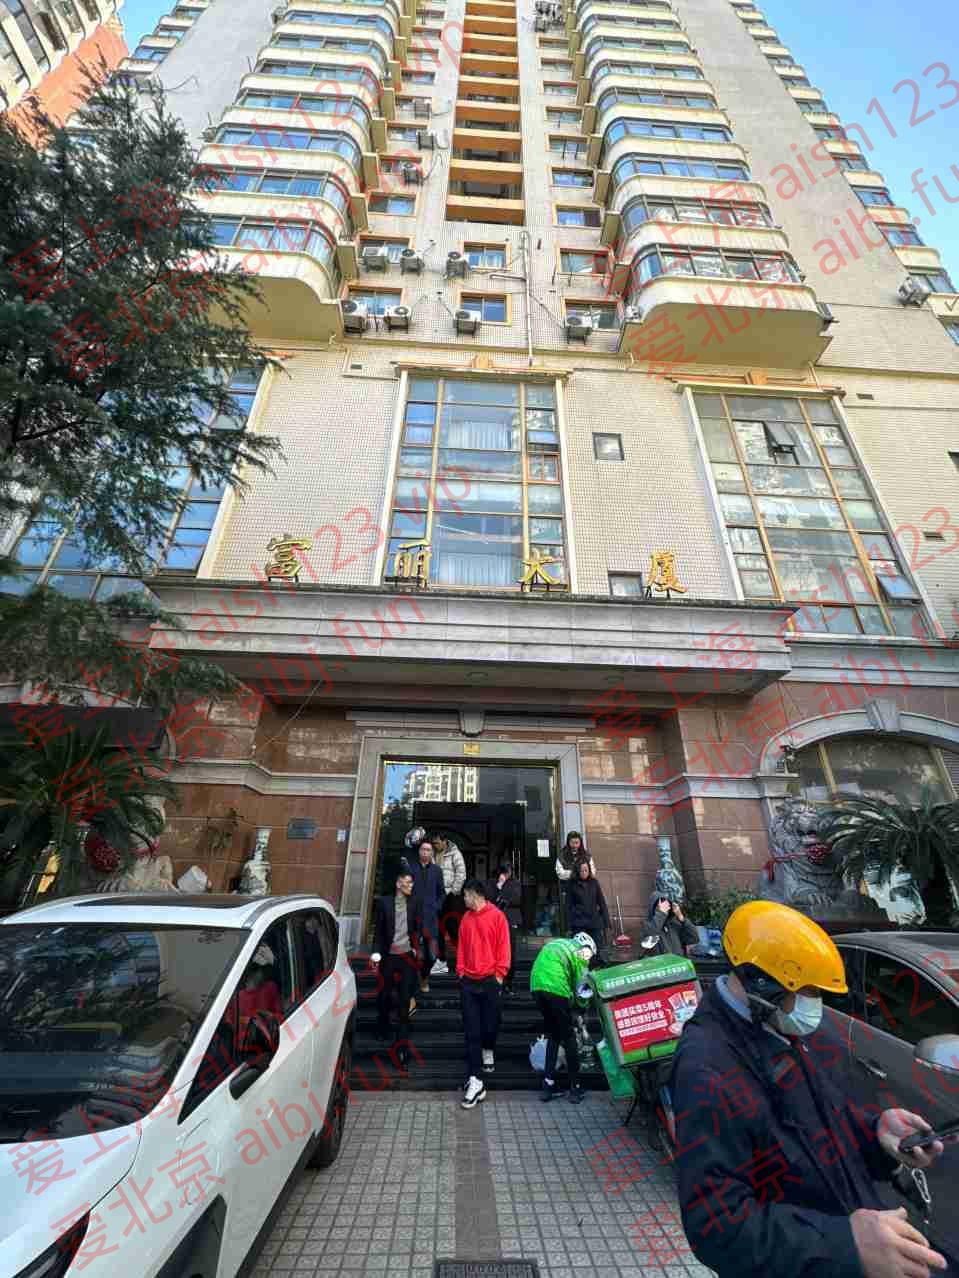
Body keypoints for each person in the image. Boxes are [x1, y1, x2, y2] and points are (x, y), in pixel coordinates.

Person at [672, 900, 955, 1278]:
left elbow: (823, 1121)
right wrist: (845, 1245)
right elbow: (717, 1226)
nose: (815, 1005)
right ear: (762, 983)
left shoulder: (776, 1028)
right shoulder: (707, 1067)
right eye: (807, 991)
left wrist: (876, 1133)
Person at [457, 878, 511, 1110]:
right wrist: (461, 972)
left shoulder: (497, 917)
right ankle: (475, 1080)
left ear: (474, 894)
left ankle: (488, 1048)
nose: (463, 899)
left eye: (465, 895)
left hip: (490, 981)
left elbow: (504, 947)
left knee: (490, 1025)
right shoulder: (465, 919)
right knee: (471, 1031)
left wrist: (499, 975)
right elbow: (461, 947)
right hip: (469, 982)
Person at [530, 931, 595, 1104]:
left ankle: (547, 1086)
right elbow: (581, 988)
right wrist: (582, 1007)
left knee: (554, 1035)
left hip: (536, 986)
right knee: (569, 1038)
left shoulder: (559, 943)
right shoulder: (580, 952)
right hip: (556, 989)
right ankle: (575, 1088)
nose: (589, 960)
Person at [370, 866, 423, 1049]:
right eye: (407, 882)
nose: (411, 886)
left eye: (412, 883)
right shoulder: (385, 903)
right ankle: (382, 1026)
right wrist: (375, 955)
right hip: (389, 956)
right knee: (384, 994)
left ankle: (402, 1040)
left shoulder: (415, 902)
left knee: (404, 997)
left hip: (407, 957)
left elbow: (417, 927)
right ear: (398, 884)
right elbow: (379, 932)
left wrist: (416, 948)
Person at [409, 838, 445, 993]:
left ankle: (424, 977)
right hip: (413, 919)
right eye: (423, 849)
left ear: (432, 854)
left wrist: (436, 907)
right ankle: (411, 984)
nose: (425, 852)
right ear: (419, 851)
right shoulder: (410, 868)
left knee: (432, 955)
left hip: (431, 919)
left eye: (428, 850)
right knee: (412, 955)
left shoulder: (437, 871)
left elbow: (442, 893)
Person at [432, 832, 466, 975]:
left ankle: (464, 960)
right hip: (435, 897)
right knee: (437, 930)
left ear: (445, 841)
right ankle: (441, 961)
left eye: (437, 843)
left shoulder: (455, 853)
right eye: (434, 843)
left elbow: (461, 873)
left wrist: (452, 892)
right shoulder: (433, 854)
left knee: (453, 929)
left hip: (450, 897)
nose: (435, 846)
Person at [486, 861, 523, 994]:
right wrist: (499, 886)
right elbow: (489, 899)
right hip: (494, 922)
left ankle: (509, 982)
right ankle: (496, 982)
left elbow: (516, 899)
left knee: (511, 953)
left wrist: (502, 897)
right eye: (504, 872)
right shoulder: (492, 883)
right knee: (495, 952)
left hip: (510, 920)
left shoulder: (515, 883)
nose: (507, 875)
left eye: (508, 872)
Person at [564, 857, 610, 957]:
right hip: (579, 923)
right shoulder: (571, 884)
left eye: (586, 870)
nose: (584, 872)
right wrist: (568, 927)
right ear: (577, 871)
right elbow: (568, 906)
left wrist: (607, 923)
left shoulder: (594, 883)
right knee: (581, 952)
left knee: (597, 950)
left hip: (594, 922)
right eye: (582, 871)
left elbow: (601, 902)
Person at [641, 891, 699, 957]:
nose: (665, 908)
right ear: (654, 907)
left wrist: (681, 918)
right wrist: (661, 913)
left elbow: (694, 939)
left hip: (678, 962)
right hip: (660, 963)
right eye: (660, 906)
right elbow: (649, 939)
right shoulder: (648, 925)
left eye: (666, 905)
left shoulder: (674, 924)